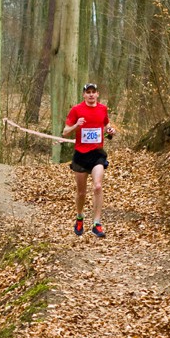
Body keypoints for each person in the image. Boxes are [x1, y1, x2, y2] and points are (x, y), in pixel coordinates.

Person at [61, 83, 116, 238]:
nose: (91, 95)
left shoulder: (102, 109)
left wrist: (111, 132)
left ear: (97, 94)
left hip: (97, 154)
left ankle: (96, 223)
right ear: (84, 95)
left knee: (98, 186)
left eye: (94, 92)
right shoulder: (76, 110)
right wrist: (76, 126)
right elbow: (65, 132)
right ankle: (79, 217)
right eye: (88, 92)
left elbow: (107, 127)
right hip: (80, 155)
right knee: (81, 192)